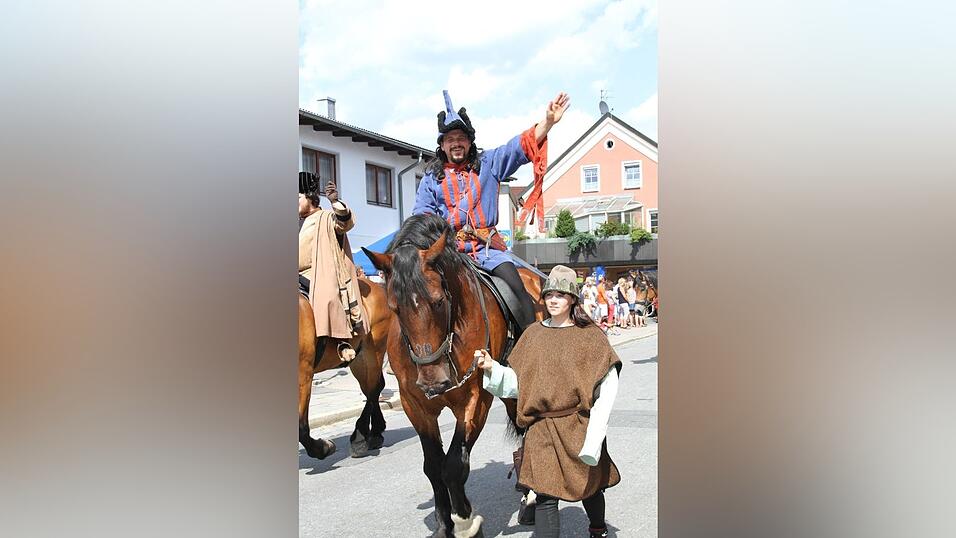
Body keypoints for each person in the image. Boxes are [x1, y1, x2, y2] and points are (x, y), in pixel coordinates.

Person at [475, 265, 621, 538]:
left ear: (573, 299)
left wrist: (595, 434)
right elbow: (519, 383)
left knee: (589, 487)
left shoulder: (590, 337)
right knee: (544, 495)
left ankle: (598, 529)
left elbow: (608, 387)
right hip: (541, 429)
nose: (553, 300)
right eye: (549, 294)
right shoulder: (532, 335)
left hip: (578, 425)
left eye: (561, 295)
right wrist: (491, 367)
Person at [413, 90, 570, 330]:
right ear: (442, 145)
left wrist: (547, 122)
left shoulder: (489, 164)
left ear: (469, 142)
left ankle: (530, 342)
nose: (456, 143)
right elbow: (421, 219)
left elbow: (518, 147)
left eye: (461, 137)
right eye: (450, 139)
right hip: (449, 252)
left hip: (487, 250)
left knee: (517, 289)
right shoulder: (430, 180)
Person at [298, 171, 367, 361]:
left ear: (309, 197)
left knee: (326, 296)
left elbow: (345, 223)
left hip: (318, 272)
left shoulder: (326, 217)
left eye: (297, 197)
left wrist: (336, 203)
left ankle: (341, 340)